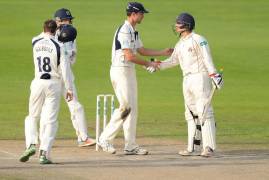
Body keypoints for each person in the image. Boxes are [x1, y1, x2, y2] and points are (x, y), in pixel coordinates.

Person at [98, 2, 173, 155]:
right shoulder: (124, 31)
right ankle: (105, 138)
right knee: (125, 107)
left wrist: (162, 52)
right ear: (133, 14)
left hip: (129, 71)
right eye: (141, 13)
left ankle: (130, 145)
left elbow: (142, 50)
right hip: (120, 71)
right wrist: (148, 64)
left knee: (133, 108)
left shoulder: (134, 31)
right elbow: (129, 56)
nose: (143, 16)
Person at [155, 12, 223, 157]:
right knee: (191, 114)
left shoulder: (199, 39)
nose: (176, 25)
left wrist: (214, 75)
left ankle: (209, 147)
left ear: (187, 25)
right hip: (187, 80)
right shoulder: (180, 44)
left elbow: (207, 58)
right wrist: (156, 65)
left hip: (201, 77)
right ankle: (192, 147)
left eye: (178, 23)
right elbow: (173, 61)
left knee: (204, 111)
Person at [19, 20, 74, 164]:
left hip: (37, 83)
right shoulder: (59, 47)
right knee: (51, 121)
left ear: (43, 29)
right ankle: (43, 153)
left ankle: (31, 144)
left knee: (32, 116)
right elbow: (65, 70)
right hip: (53, 84)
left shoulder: (35, 41)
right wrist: (69, 88)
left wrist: (54, 30)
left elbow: (43, 36)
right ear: (55, 30)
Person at [53, 8, 96, 147]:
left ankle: (83, 138)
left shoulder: (71, 35)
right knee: (48, 108)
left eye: (70, 20)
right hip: (53, 76)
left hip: (66, 74)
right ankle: (36, 140)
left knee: (75, 106)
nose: (69, 22)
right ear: (57, 21)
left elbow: (71, 59)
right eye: (66, 20)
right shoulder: (50, 36)